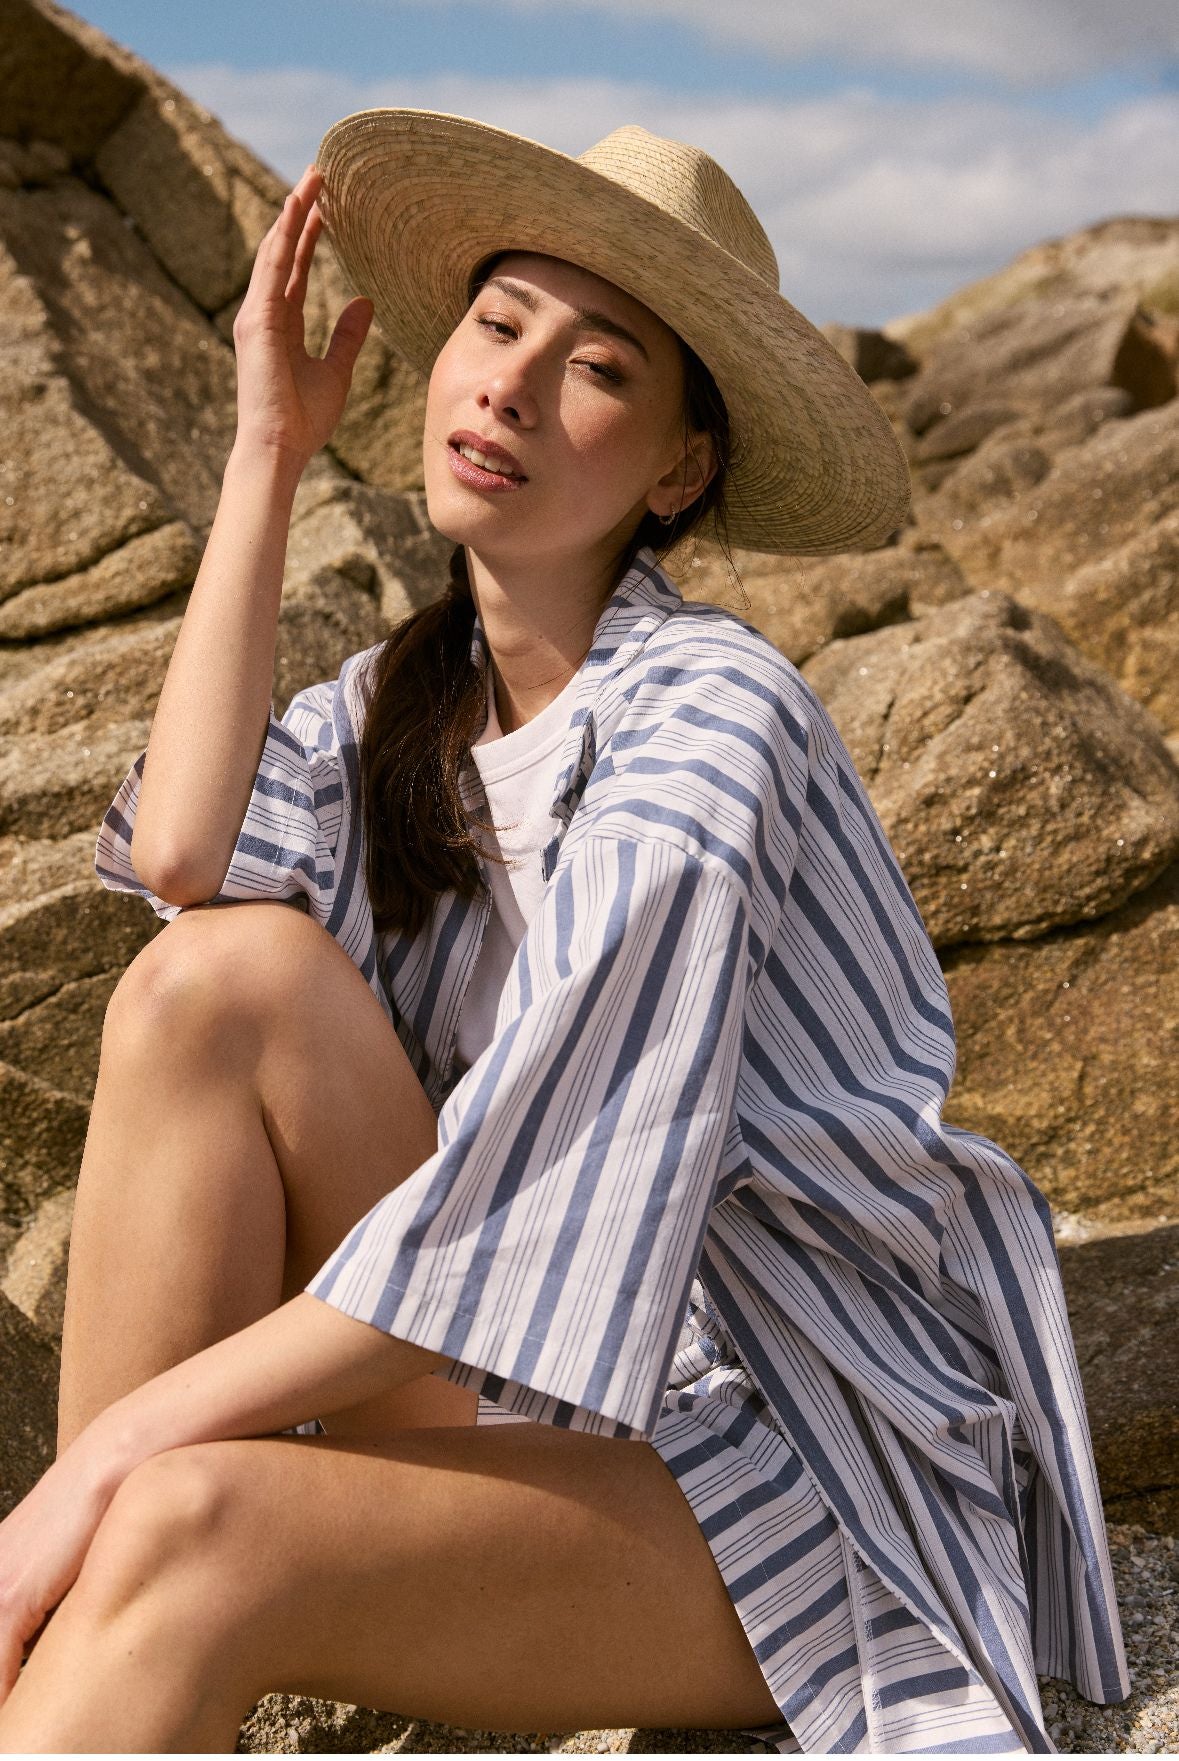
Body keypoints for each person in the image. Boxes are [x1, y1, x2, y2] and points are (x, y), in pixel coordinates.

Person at [0, 112, 1127, 1754]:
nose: (512, 387)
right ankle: (80, 1631)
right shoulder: (406, 704)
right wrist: (265, 450)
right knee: (209, 982)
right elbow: (181, 860)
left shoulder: (713, 724)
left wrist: (103, 1462)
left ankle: (93, 1594)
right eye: (497, 325)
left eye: (596, 365)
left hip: (804, 1479)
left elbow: (526, 1214)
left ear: (679, 468)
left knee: (187, 1517)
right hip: (541, 1388)